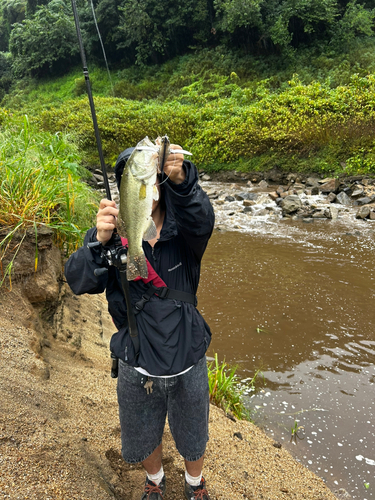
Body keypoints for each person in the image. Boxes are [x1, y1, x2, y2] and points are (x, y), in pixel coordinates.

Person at [64, 143, 215, 500]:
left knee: (194, 436)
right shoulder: (110, 239)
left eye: (157, 177)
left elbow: (201, 215)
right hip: (137, 358)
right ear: (125, 192)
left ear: (159, 183)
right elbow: (78, 281)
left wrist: (183, 178)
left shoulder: (187, 233)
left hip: (187, 355)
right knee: (142, 432)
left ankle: (195, 484)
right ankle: (155, 480)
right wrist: (96, 245)